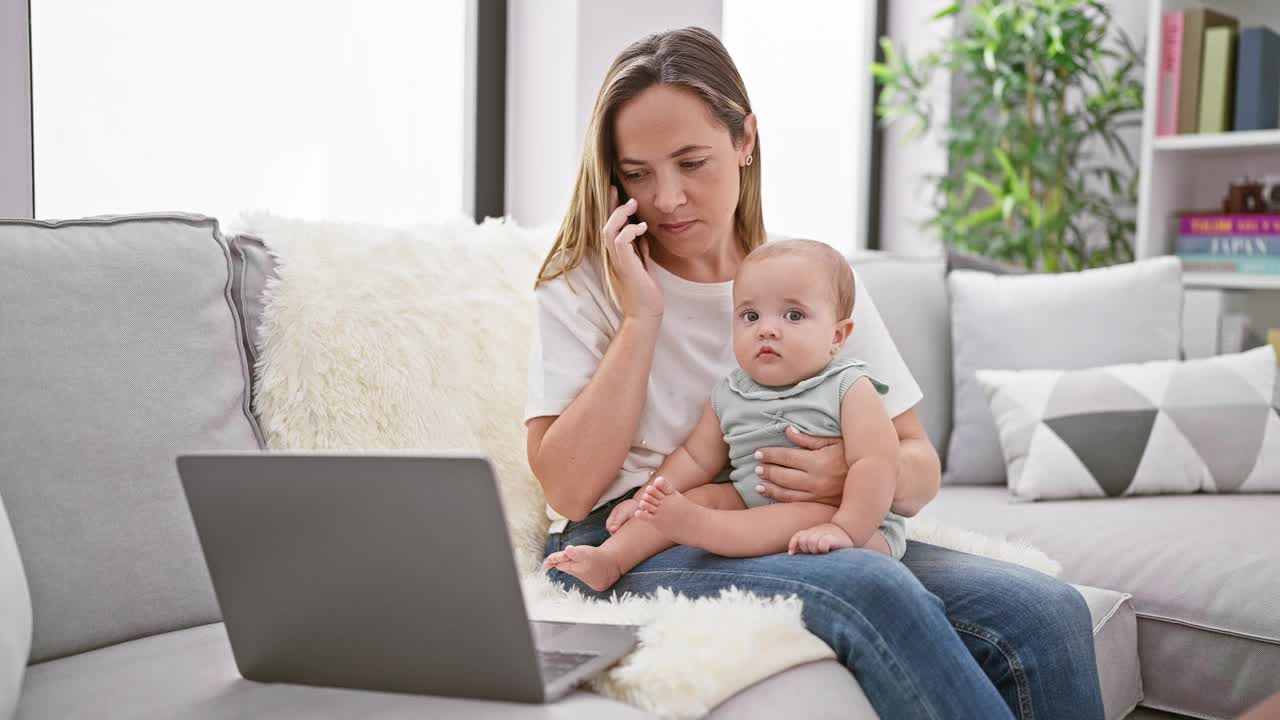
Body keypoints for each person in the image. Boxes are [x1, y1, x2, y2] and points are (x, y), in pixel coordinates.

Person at [525, 26, 1104, 719]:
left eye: (691, 162)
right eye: (638, 173)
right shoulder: (587, 283)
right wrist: (642, 319)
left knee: (1047, 612)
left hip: (802, 520)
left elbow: (918, 466)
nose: (669, 199)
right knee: (870, 584)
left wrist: (850, 474)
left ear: (745, 141)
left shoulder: (800, 285)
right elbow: (569, 486)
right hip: (637, 535)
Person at [542, 239, 907, 593]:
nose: (766, 328)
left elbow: (875, 462)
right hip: (753, 500)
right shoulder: (731, 392)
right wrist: (643, 500)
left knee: (783, 515)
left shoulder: (848, 386)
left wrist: (846, 529)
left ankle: (702, 529)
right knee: (700, 497)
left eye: (793, 315)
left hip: (846, 520)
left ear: (838, 336)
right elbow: (696, 458)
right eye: (750, 315)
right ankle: (611, 559)